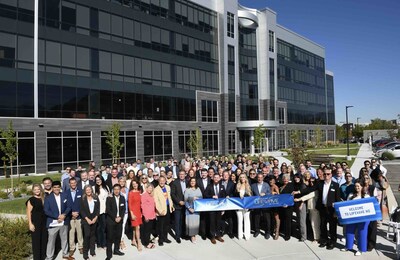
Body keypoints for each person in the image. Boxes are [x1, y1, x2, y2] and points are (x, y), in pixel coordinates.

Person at [341, 180, 370, 256]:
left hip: (363, 219)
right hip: (352, 218)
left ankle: (360, 249)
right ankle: (348, 246)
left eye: (358, 186)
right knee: (349, 232)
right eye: (355, 186)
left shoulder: (366, 196)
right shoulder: (351, 195)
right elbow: (346, 205)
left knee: (362, 234)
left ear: (362, 187)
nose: (357, 188)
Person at [44, 181, 71, 260]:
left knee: (64, 239)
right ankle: (49, 257)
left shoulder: (65, 195)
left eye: (58, 187)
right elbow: (46, 210)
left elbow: (69, 207)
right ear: (52, 188)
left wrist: (64, 215)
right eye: (54, 187)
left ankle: (65, 254)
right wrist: (57, 216)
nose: (56, 189)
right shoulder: (48, 198)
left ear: (60, 188)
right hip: (53, 222)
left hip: (63, 221)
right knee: (51, 241)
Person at [317, 167, 340, 250]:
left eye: (328, 174)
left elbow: (337, 199)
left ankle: (332, 242)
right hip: (322, 208)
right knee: (323, 225)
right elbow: (311, 189)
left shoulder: (336, 185)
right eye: (325, 174)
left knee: (332, 227)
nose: (326, 175)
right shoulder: (320, 183)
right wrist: (299, 192)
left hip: (331, 209)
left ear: (331, 175)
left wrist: (336, 212)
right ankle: (324, 240)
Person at [26, 184, 47, 260]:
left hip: (44, 223)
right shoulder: (31, 200)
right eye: (35, 190)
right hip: (36, 223)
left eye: (38, 189)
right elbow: (28, 212)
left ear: (41, 189)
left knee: (43, 241)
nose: (37, 191)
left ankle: (42, 257)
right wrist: (30, 224)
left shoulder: (43, 198)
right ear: (32, 191)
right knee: (36, 242)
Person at [204, 173, 226, 244]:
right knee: (212, 222)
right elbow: (205, 195)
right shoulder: (209, 186)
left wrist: (223, 209)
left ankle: (218, 235)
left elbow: (224, 197)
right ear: (212, 178)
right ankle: (212, 237)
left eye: (217, 177)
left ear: (220, 178)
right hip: (212, 208)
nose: (216, 179)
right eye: (215, 177)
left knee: (218, 222)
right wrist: (212, 196)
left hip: (219, 208)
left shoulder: (222, 186)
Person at [105, 184, 126, 259]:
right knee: (110, 238)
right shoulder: (109, 198)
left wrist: (120, 217)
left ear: (120, 190)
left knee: (118, 236)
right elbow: (108, 209)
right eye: (115, 189)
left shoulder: (122, 198)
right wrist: (115, 218)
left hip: (120, 220)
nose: (116, 191)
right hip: (111, 221)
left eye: (118, 189)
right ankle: (109, 254)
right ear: (113, 190)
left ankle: (116, 250)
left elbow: (123, 209)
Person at [80, 185, 100, 260]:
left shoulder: (95, 197)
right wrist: (87, 219)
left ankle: (92, 251)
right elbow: (81, 210)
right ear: (85, 191)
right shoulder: (83, 198)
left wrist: (95, 217)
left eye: (89, 189)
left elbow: (98, 208)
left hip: (94, 219)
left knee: (93, 235)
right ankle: (85, 253)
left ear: (92, 190)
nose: (88, 191)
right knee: (87, 235)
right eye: (87, 190)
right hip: (86, 220)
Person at [154, 176, 174, 246]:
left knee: (167, 225)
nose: (162, 182)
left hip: (168, 208)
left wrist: (171, 206)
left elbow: (169, 197)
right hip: (161, 210)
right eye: (160, 181)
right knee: (161, 226)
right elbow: (156, 201)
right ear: (158, 181)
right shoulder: (156, 189)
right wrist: (160, 210)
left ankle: (165, 238)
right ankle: (161, 240)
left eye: (163, 180)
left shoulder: (168, 187)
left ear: (165, 181)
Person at [66, 177, 83, 257]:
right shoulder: (66, 193)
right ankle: (72, 248)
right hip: (70, 217)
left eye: (74, 183)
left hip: (79, 216)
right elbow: (65, 205)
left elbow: (82, 204)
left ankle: (81, 246)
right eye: (71, 183)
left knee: (80, 232)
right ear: (69, 184)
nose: (73, 184)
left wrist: (78, 213)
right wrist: (71, 213)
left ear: (76, 183)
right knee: (71, 233)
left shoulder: (81, 191)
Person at [251, 173, 271, 239]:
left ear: (263, 178)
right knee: (257, 218)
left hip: (265, 204)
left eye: (261, 177)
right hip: (257, 205)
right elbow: (251, 194)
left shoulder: (266, 185)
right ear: (257, 178)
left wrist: (265, 194)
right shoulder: (253, 185)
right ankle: (257, 231)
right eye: (258, 177)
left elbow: (270, 193)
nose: (259, 179)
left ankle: (267, 232)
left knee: (267, 219)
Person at [184, 177, 203, 243]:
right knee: (191, 223)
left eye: (194, 181)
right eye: (191, 181)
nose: (192, 182)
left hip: (196, 209)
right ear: (189, 182)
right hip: (190, 209)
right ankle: (192, 236)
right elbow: (185, 200)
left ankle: (194, 234)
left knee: (195, 223)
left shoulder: (198, 189)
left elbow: (201, 198)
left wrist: (197, 198)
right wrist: (189, 208)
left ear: (196, 182)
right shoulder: (187, 190)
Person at [170, 170, 187, 243]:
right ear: (178, 175)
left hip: (186, 205)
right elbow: (172, 194)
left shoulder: (187, 182)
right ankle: (177, 236)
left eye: (183, 174)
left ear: (185, 175)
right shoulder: (175, 183)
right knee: (177, 221)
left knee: (183, 221)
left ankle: (183, 234)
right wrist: (178, 201)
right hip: (177, 205)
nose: (181, 175)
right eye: (180, 174)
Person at [93, 175, 109, 249]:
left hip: (104, 210)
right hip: (97, 211)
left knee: (104, 227)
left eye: (99, 179)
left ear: (102, 180)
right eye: (96, 180)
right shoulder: (94, 188)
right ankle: (99, 243)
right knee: (98, 228)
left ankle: (104, 243)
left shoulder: (106, 188)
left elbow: (108, 198)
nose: (98, 181)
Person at [292, 173, 308, 242]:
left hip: (302, 204)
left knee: (302, 221)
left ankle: (303, 237)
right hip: (295, 203)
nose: (296, 179)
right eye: (295, 177)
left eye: (298, 177)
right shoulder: (294, 185)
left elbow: (304, 196)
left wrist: (301, 204)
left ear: (300, 178)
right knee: (298, 220)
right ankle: (300, 234)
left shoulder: (303, 185)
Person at [128, 179, 143, 251]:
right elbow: (129, 204)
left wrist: (142, 213)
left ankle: (134, 240)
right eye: (133, 184)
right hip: (133, 212)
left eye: (136, 183)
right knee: (137, 228)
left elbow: (141, 203)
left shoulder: (140, 192)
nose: (135, 185)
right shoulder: (131, 193)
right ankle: (139, 243)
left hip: (139, 212)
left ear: (138, 184)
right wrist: (132, 214)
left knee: (135, 227)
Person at [141, 183, 156, 249]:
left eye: (151, 188)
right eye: (149, 188)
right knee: (146, 230)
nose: (150, 189)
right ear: (146, 188)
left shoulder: (151, 195)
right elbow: (143, 206)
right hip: (147, 215)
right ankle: (146, 243)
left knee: (149, 230)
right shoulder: (144, 195)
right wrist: (145, 216)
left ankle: (148, 241)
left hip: (152, 215)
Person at [279, 174, 294, 241]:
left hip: (288, 206)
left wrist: (287, 204)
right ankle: (283, 231)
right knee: (284, 219)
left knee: (288, 221)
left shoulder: (291, 186)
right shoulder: (281, 186)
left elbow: (291, 196)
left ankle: (287, 235)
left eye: (287, 178)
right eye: (284, 178)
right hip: (282, 205)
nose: (285, 179)